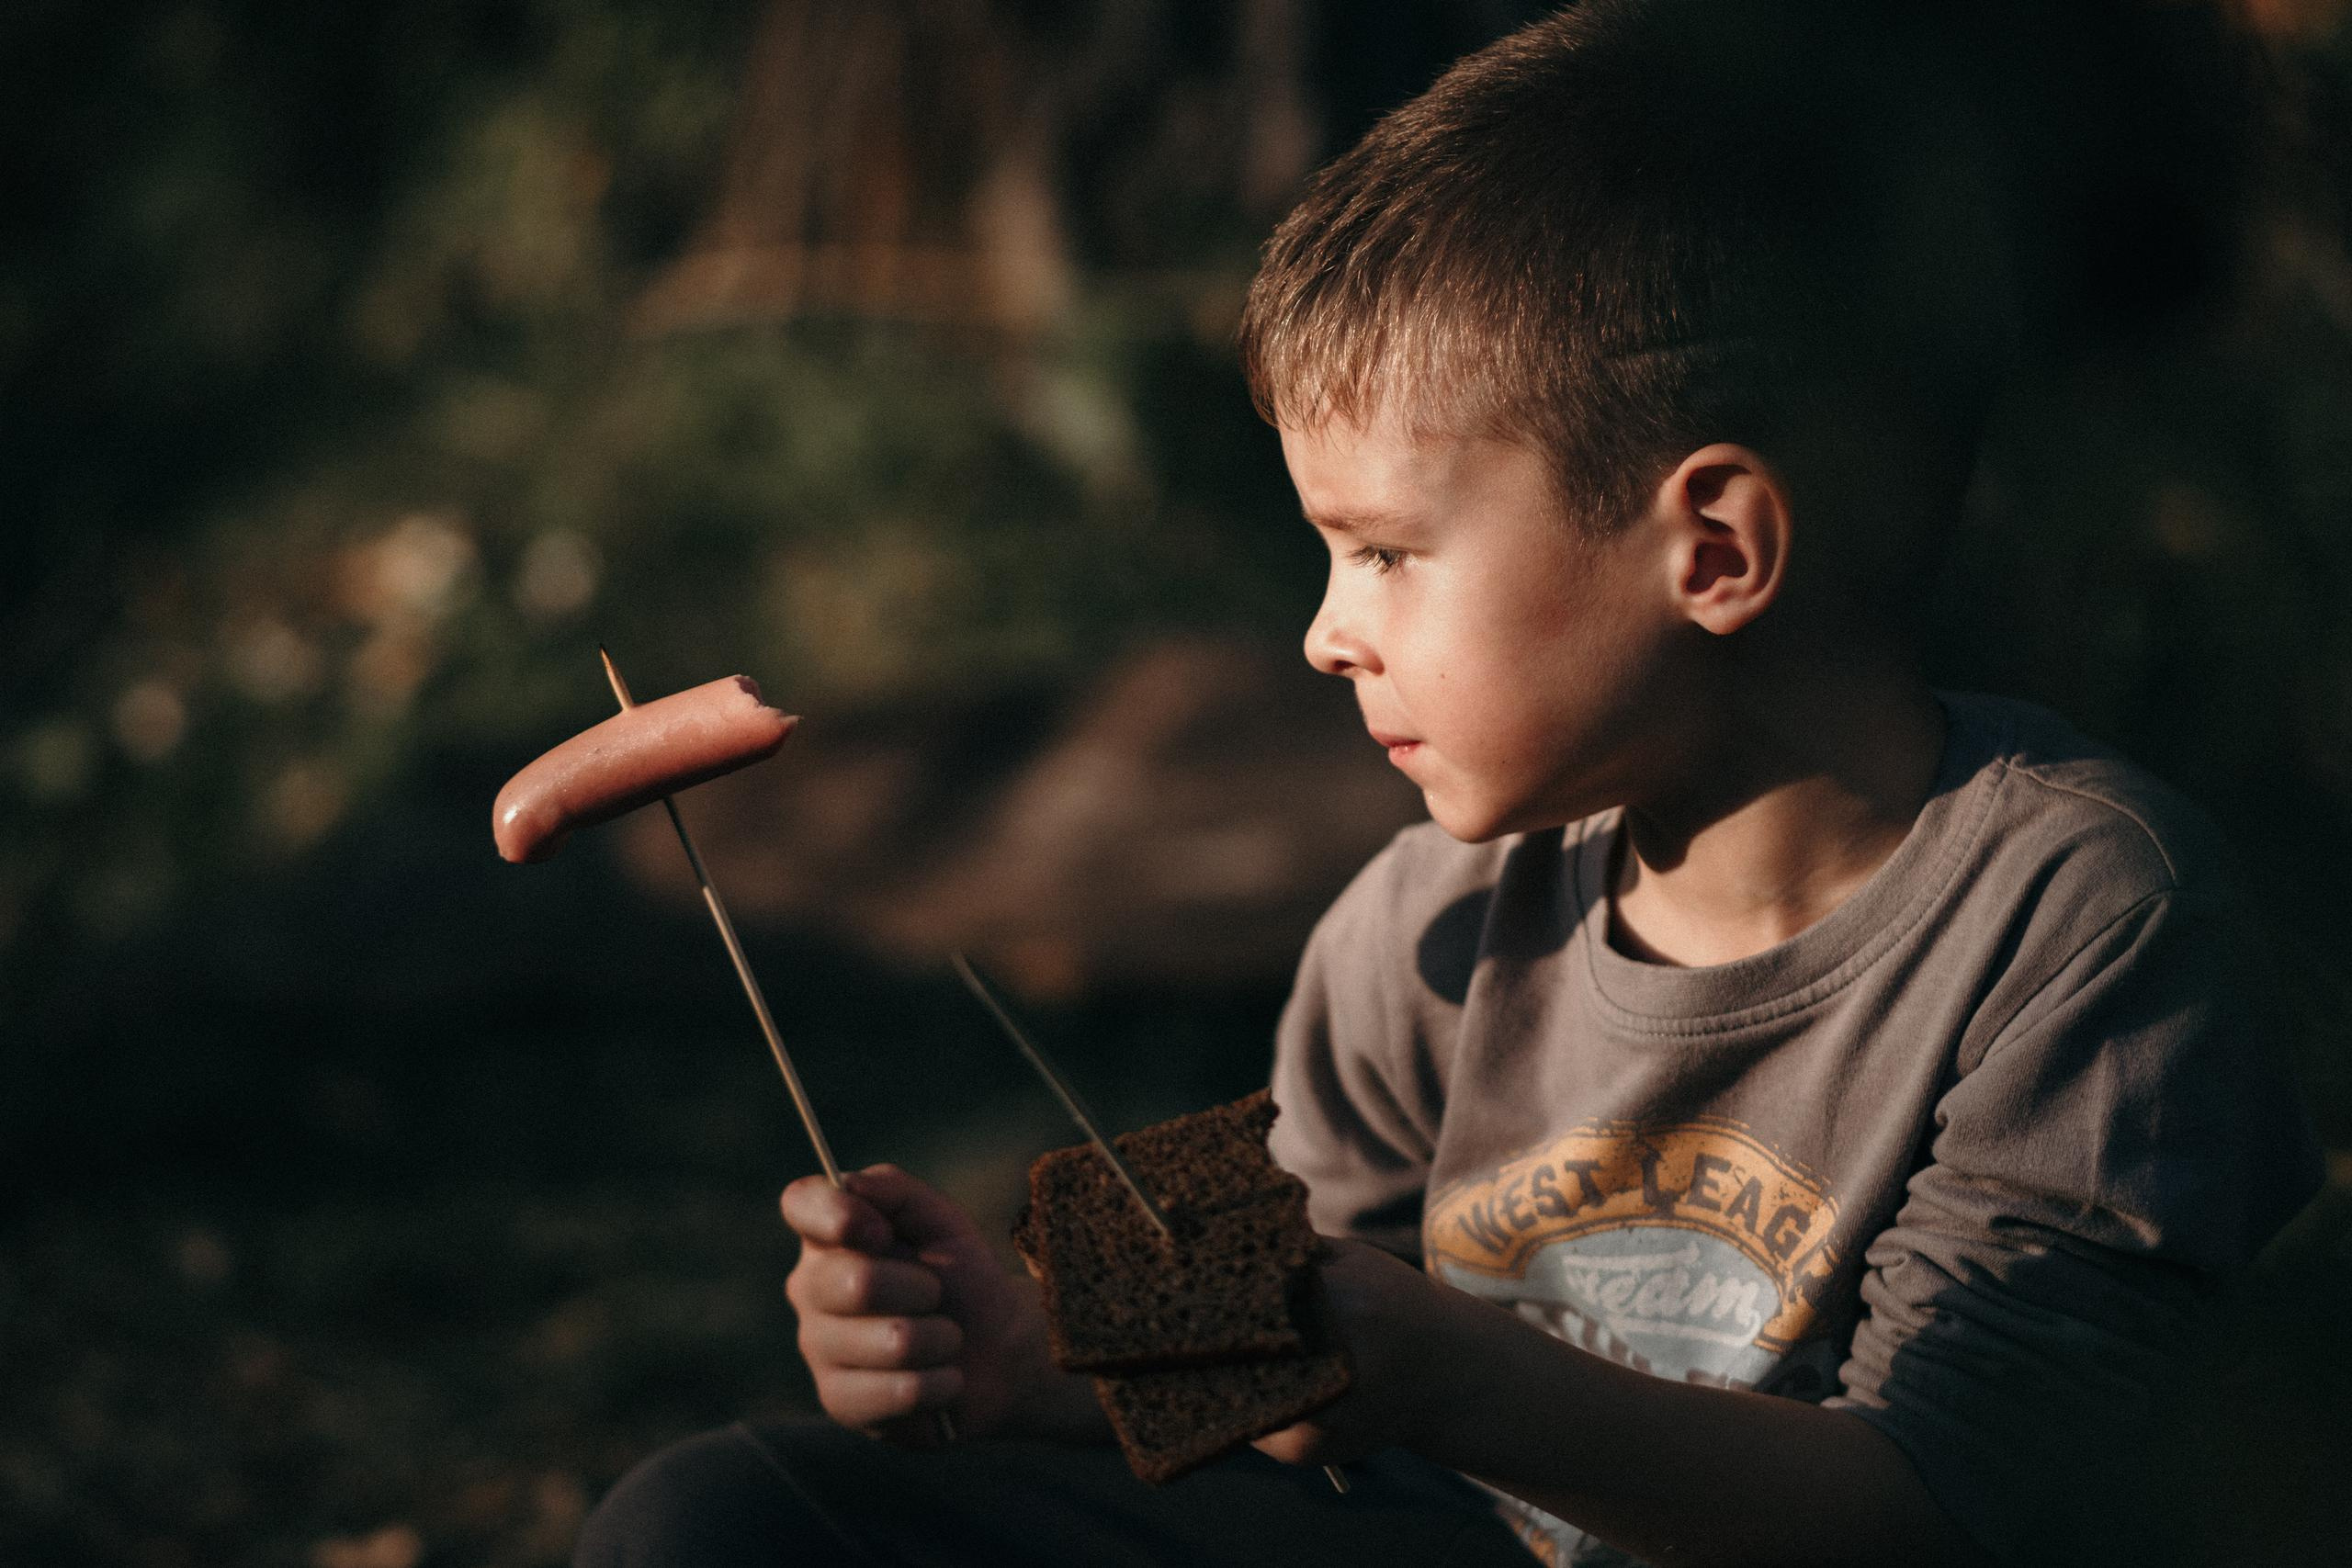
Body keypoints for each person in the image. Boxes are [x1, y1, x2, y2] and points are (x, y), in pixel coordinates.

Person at [574, 3, 2325, 1563]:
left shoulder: (2084, 924)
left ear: (1713, 546)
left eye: (1387, 552)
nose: (1327, 634)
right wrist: (1040, 1369)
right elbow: (1276, 1367)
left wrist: (1461, 1383)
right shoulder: (1419, 924)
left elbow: (1931, 1513)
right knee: (715, 1518)